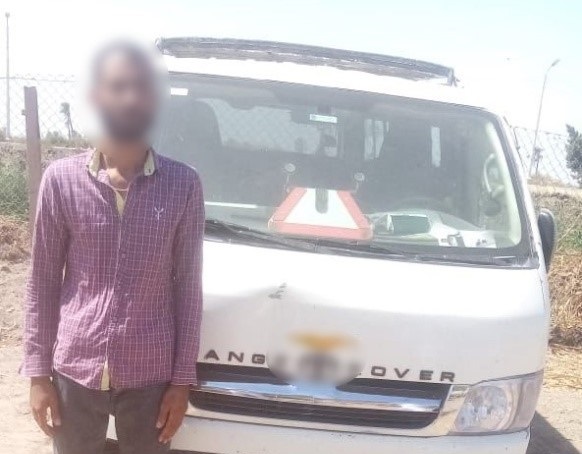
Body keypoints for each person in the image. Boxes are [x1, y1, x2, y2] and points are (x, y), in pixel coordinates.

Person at [22, 40, 205, 454]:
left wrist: (181, 382)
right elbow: (42, 282)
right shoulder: (61, 180)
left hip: (150, 374)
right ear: (97, 97)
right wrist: (37, 375)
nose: (130, 98)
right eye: (118, 86)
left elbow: (188, 287)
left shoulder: (183, 184)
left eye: (141, 87)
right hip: (75, 368)